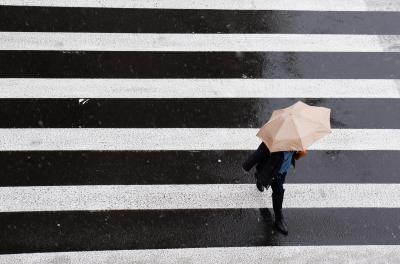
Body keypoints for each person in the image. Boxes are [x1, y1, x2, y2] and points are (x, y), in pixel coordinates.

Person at [242, 142, 307, 235]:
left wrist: (300, 154)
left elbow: (294, 157)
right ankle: (278, 218)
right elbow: (259, 153)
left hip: (284, 170)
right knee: (279, 192)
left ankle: (260, 179)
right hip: (272, 171)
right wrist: (246, 166)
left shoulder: (296, 140)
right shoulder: (274, 141)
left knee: (270, 180)